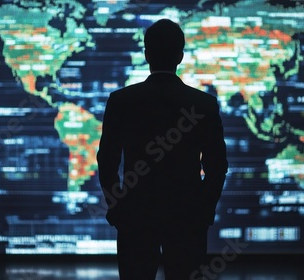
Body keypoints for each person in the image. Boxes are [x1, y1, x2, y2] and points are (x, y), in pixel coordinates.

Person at [97, 19, 228, 279]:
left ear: (146, 55)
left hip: (135, 217)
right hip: (186, 218)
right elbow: (217, 166)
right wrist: (202, 210)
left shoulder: (121, 101)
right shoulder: (203, 104)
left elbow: (107, 161)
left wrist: (119, 207)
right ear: (180, 56)